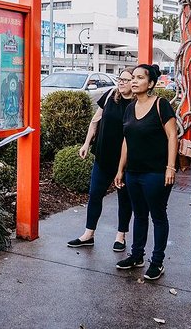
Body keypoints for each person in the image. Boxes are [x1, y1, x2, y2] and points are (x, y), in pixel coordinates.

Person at [114, 64, 178, 281]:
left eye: (139, 78)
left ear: (150, 83)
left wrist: (170, 167)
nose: (133, 81)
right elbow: (126, 140)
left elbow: (172, 136)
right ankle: (137, 255)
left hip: (156, 173)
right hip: (134, 172)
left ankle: (157, 262)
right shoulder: (130, 108)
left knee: (158, 216)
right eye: (132, 77)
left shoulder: (161, 105)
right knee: (139, 215)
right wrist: (121, 169)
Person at [67, 68, 135, 251]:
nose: (121, 83)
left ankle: (121, 236)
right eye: (120, 79)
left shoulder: (137, 104)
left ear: (134, 82)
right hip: (103, 155)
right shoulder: (110, 95)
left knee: (125, 198)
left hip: (125, 161)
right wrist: (86, 143)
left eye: (126, 80)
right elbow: (95, 120)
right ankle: (88, 234)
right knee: (95, 194)